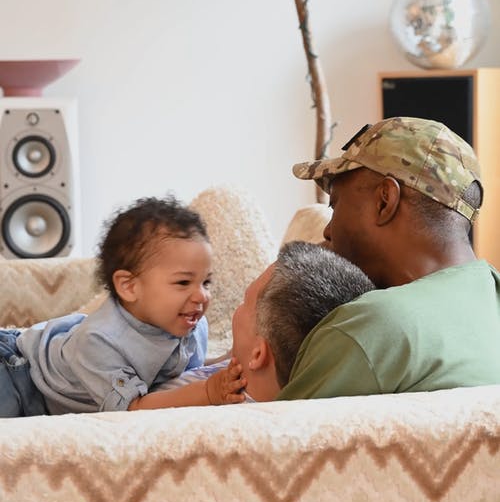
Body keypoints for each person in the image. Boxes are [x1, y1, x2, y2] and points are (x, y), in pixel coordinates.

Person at [280, 116, 500, 401]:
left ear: (385, 200)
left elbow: (270, 442)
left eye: (335, 206)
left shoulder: (369, 329)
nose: (327, 230)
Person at [0, 196, 244, 417]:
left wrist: (229, 359)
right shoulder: (101, 340)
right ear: (129, 287)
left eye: (206, 282)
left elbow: (184, 372)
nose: (201, 295)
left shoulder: (192, 324)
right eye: (183, 282)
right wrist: (208, 393)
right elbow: (132, 409)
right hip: (19, 374)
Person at [188, 240, 374, 402]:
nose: (237, 309)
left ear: (258, 354)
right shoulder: (239, 367)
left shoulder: (221, 407)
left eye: (245, 303)